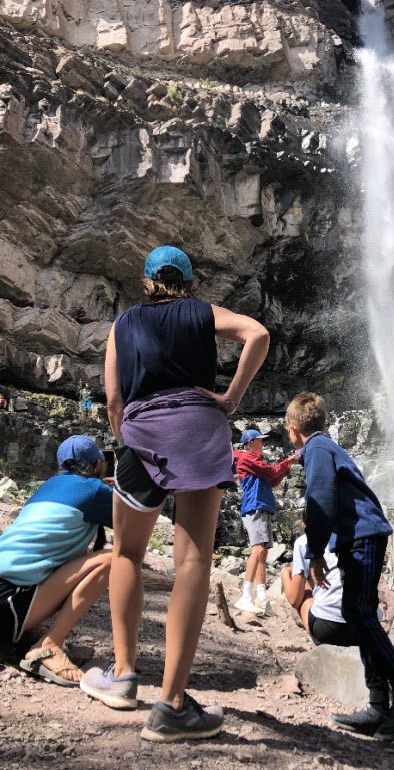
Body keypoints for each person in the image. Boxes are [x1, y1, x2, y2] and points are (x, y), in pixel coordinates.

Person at [81, 245, 270, 743]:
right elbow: (258, 334)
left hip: (143, 434)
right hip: (200, 431)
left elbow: (115, 398)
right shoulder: (203, 313)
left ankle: (122, 677)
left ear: (148, 282)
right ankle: (171, 705)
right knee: (193, 561)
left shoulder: (123, 325)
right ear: (187, 282)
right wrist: (230, 398)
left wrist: (126, 439)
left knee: (126, 552)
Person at [285, 392, 394, 740]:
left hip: (364, 535)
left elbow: (320, 500)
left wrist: (315, 551)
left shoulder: (315, 448)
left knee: (359, 612)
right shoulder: (325, 447)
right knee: (359, 612)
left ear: (292, 429)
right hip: (357, 536)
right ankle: (378, 706)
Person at [0, 436, 113, 686]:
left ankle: (28, 633)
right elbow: (136, 523)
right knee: (112, 560)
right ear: (97, 464)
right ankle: (49, 646)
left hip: (5, 593)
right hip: (7, 603)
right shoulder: (94, 490)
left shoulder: (47, 487)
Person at [233, 428, 297, 615]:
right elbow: (269, 473)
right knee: (258, 549)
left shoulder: (255, 460)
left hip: (262, 506)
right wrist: (287, 462)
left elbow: (272, 481)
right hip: (255, 506)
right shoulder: (246, 458)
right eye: (260, 440)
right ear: (251, 442)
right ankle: (246, 596)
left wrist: (286, 467)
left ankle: (262, 599)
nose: (263, 443)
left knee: (263, 553)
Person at [281, 528, 359, 647]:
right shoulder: (360, 534)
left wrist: (285, 574)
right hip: (368, 629)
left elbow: (294, 600)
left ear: (304, 525)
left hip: (329, 629)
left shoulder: (304, 541)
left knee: (303, 584)